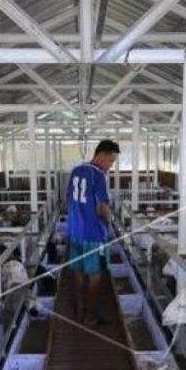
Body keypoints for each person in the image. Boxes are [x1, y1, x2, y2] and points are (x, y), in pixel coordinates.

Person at [65, 139, 119, 325]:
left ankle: (79, 310)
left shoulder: (76, 170)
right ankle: (90, 315)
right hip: (93, 234)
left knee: (78, 272)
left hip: (75, 232)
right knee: (95, 275)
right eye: (111, 160)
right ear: (101, 155)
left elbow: (68, 201)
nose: (111, 165)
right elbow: (101, 208)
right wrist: (110, 221)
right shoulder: (98, 176)